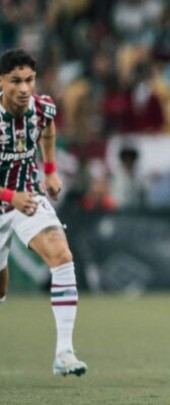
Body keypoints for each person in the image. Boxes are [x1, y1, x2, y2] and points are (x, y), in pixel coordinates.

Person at [0, 49, 87, 376]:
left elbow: (48, 129)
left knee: (61, 256)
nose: (24, 88)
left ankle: (65, 352)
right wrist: (10, 195)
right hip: (6, 199)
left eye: (29, 80)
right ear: (1, 82)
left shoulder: (42, 107)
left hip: (29, 199)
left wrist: (49, 170)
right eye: (16, 81)